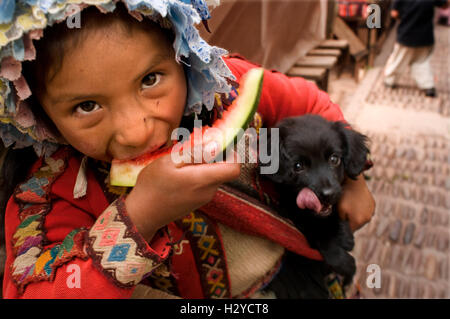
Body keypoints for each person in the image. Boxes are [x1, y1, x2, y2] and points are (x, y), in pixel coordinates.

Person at [0, 0, 375, 299]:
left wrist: (354, 179)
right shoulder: (49, 196)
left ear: (183, 55)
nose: (135, 132)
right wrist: (139, 218)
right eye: (86, 106)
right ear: (37, 112)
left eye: (150, 80)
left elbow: (309, 102)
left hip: (297, 269)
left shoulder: (227, 85)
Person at [383, 0, 449, 97]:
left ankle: (390, 80)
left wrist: (403, 16)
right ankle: (428, 85)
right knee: (422, 62)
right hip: (425, 37)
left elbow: (394, 13)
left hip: (406, 35)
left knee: (398, 60)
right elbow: (445, 5)